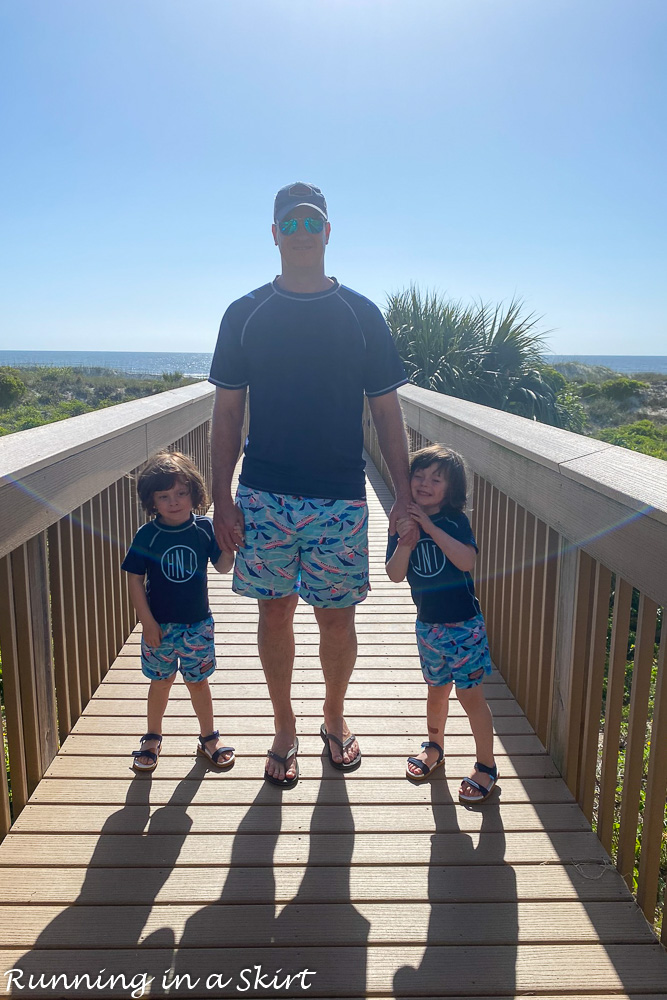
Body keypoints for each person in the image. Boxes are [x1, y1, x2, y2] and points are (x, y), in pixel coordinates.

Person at [209, 181, 412, 787]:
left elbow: (386, 411)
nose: (300, 233)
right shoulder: (244, 313)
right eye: (289, 224)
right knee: (275, 613)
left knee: (337, 618)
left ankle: (334, 717)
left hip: (341, 494)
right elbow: (226, 413)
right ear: (273, 234)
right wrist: (221, 497)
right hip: (265, 492)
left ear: (328, 232)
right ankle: (283, 727)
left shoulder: (361, 313)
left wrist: (401, 491)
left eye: (311, 223)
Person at [385, 444, 498, 800]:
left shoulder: (455, 522)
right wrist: (405, 539)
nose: (425, 483)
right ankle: (434, 745)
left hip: (464, 625)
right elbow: (394, 574)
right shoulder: (401, 520)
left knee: (470, 696)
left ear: (451, 490)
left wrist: (430, 527)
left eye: (436, 479)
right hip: (429, 626)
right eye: (418, 475)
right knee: (436, 691)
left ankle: (486, 764)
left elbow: (467, 561)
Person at [122, 450, 236, 772]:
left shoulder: (203, 529)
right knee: (161, 681)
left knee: (198, 682)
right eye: (164, 496)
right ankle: (152, 736)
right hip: (159, 626)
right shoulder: (148, 535)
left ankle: (208, 737)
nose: (174, 501)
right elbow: (134, 579)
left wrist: (229, 545)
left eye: (181, 493)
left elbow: (224, 567)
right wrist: (146, 622)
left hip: (197, 624)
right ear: (152, 501)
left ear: (194, 494)